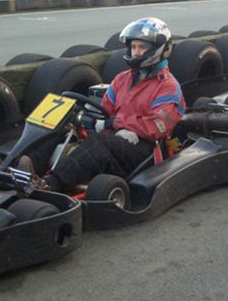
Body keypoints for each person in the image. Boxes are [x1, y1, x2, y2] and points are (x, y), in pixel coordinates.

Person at [28, 17, 185, 193]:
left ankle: (51, 183)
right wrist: (85, 118)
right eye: (133, 47)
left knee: (101, 142)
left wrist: (117, 124)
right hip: (117, 138)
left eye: (142, 47)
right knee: (63, 124)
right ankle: (23, 166)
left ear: (158, 49)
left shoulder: (168, 86)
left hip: (145, 148)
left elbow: (156, 126)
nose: (136, 52)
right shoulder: (122, 79)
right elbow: (105, 110)